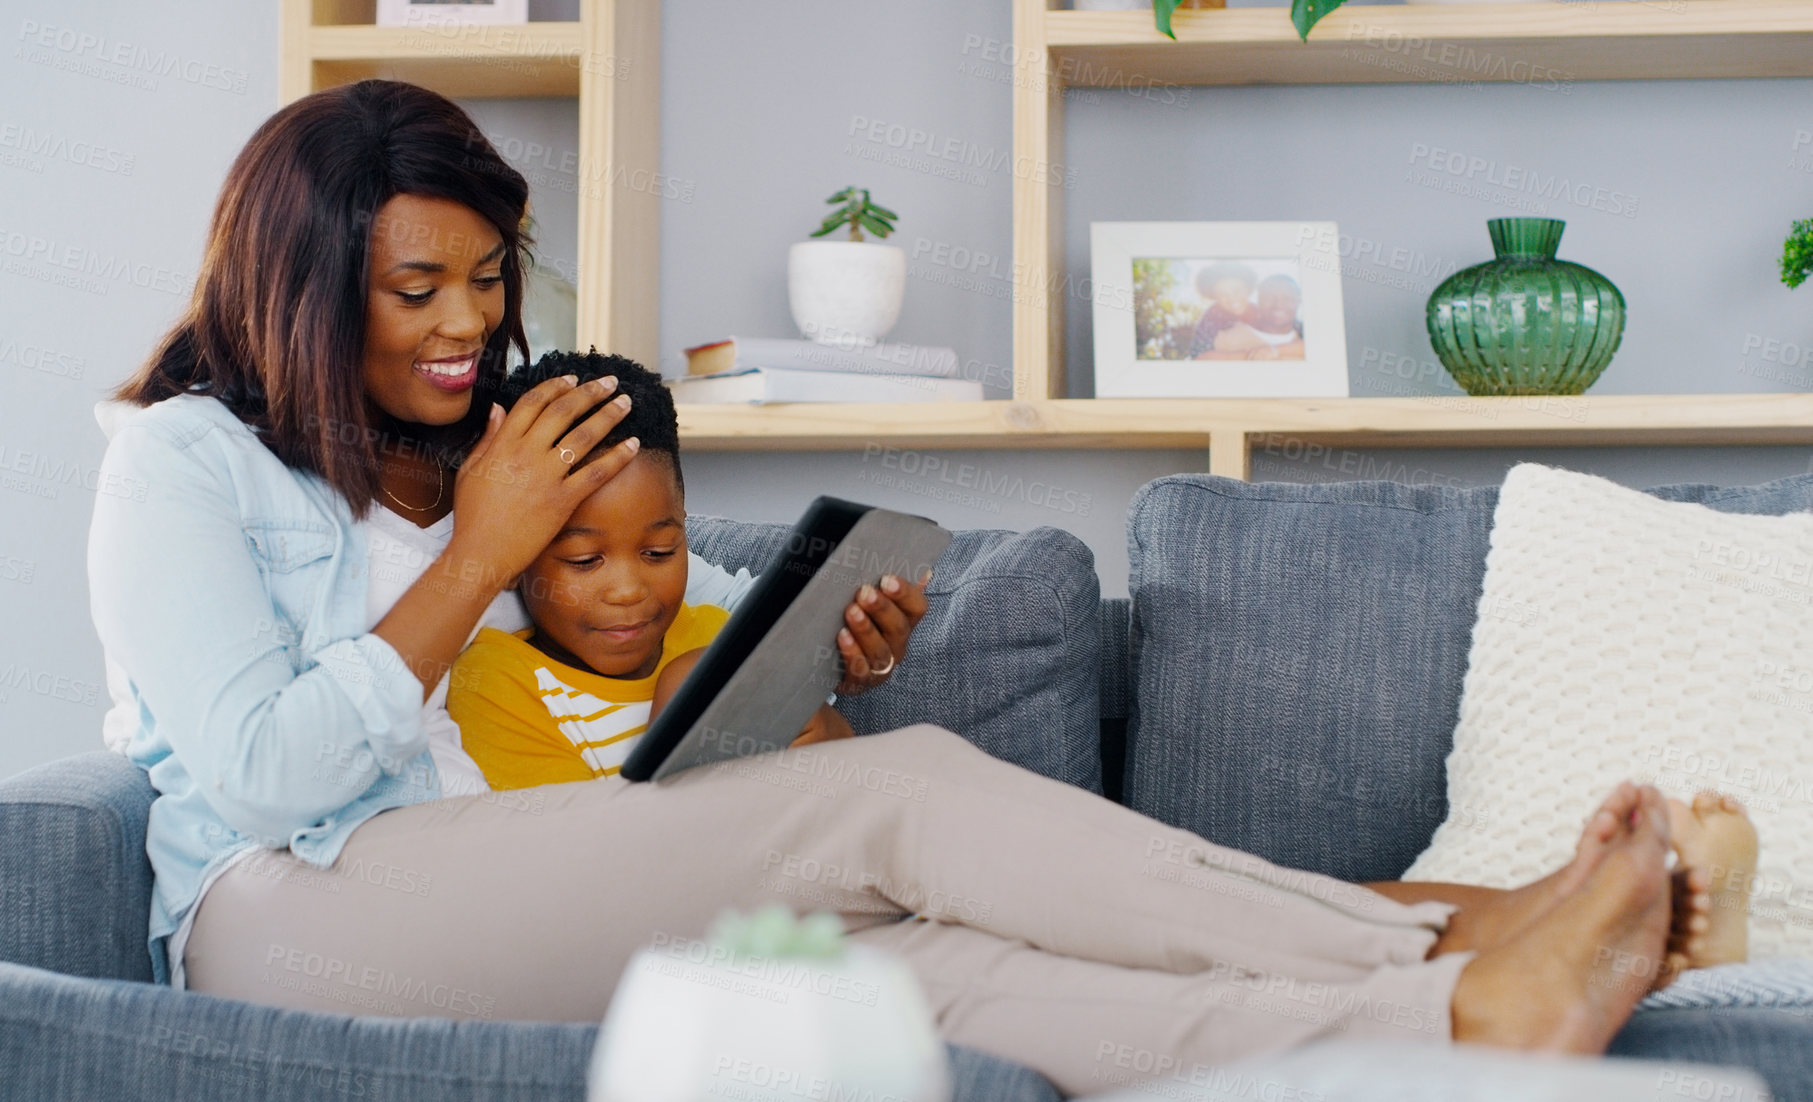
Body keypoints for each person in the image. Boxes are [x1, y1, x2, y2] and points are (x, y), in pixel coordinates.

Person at [86, 79, 1722, 1096]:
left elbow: (626, 685)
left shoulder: (450, 457)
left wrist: (789, 668)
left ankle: (1448, 1026)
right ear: (301, 286)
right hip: (284, 913)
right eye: (414, 288)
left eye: (488, 276)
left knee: (911, 977)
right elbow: (265, 773)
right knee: (907, 799)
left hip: (466, 876)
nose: (465, 323)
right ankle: (1438, 931)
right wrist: (494, 548)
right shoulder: (183, 463)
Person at [448, 349, 851, 790]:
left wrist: (830, 735)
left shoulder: (719, 637)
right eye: (585, 560)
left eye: (659, 552)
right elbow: (572, 848)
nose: (628, 591)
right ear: (514, 557)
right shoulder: (497, 683)